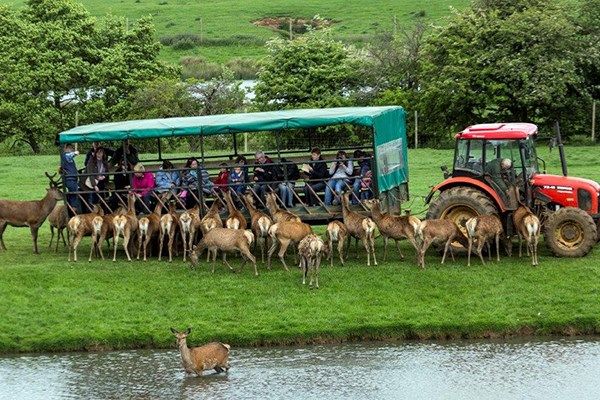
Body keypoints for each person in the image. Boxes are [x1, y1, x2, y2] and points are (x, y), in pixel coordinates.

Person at [60, 143, 80, 215]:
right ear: (65, 149)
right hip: (70, 179)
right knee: (73, 194)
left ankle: (72, 209)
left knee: (73, 194)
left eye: (72, 148)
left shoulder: (67, 157)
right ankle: (73, 210)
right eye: (70, 148)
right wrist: (74, 153)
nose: (71, 149)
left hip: (72, 178)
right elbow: (70, 155)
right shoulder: (65, 156)